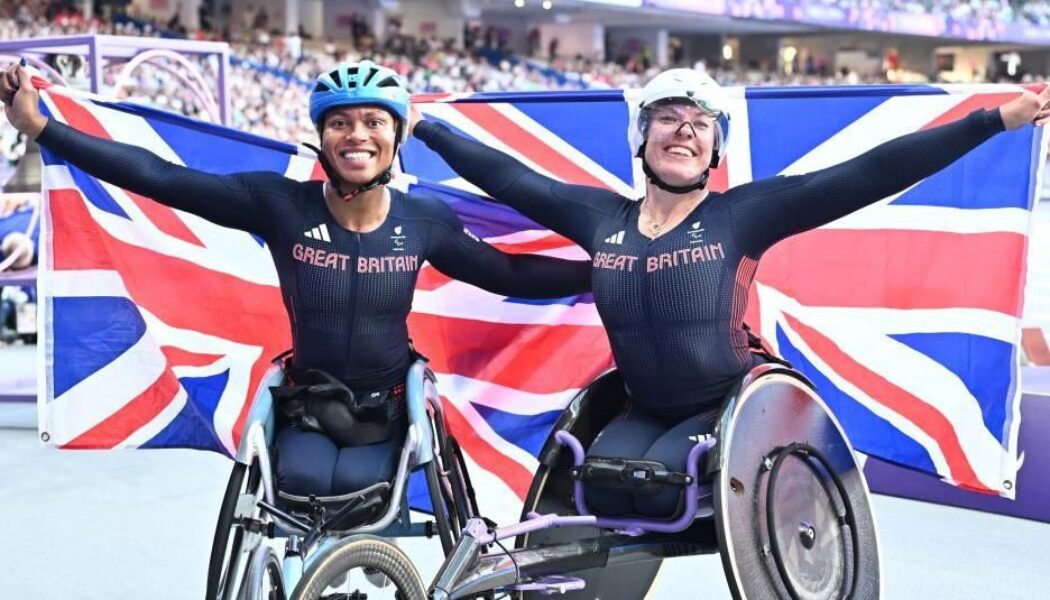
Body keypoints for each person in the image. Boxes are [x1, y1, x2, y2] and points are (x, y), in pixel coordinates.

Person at [410, 69, 1050, 518]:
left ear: (716, 146)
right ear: (643, 139)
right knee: (602, 489)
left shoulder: (741, 216)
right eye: (668, 119)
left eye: (699, 123)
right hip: (641, 406)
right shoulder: (599, 217)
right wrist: (423, 128)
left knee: (657, 489)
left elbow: (871, 171)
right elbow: (510, 177)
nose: (683, 132)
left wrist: (994, 121)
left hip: (726, 408)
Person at [0, 59, 592, 498]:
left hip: (390, 408)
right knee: (307, 484)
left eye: (371, 122)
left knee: (364, 493)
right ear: (321, 136)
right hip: (307, 402)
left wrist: (603, 271)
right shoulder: (279, 204)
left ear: (396, 136)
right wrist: (42, 128)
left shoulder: (424, 220)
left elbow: (506, 272)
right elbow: (162, 178)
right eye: (340, 122)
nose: (356, 134)